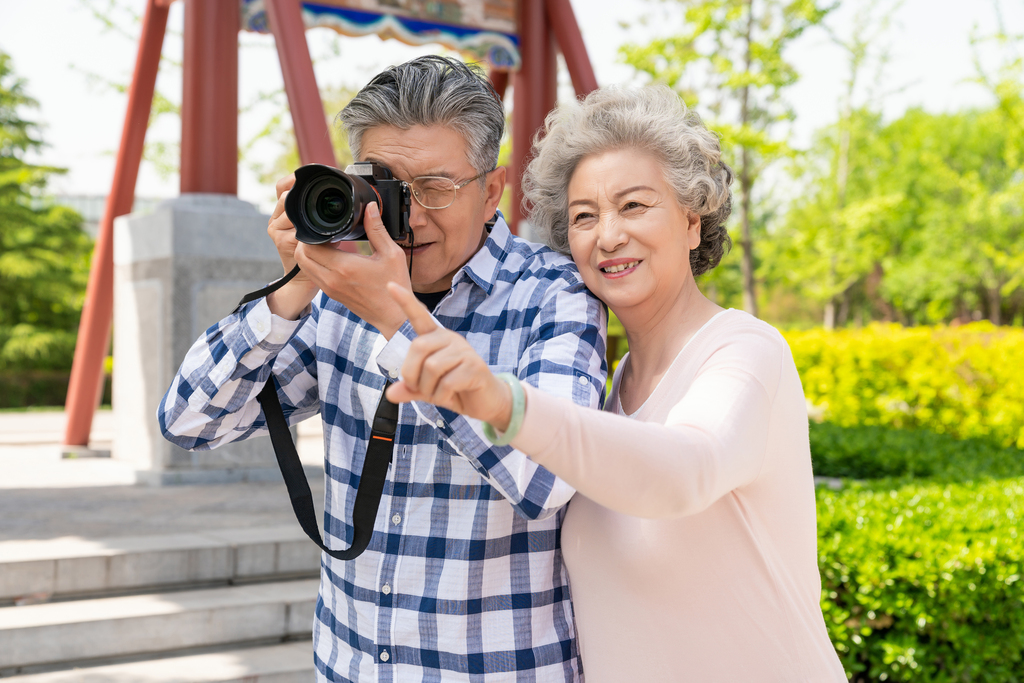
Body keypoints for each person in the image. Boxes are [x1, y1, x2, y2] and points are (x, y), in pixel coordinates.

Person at [158, 56, 607, 682]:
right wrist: (295, 286)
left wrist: (394, 322)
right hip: (348, 665)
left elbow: (548, 478)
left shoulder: (554, 293)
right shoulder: (335, 300)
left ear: (492, 190)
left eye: (437, 188)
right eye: (390, 188)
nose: (412, 214)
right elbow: (189, 423)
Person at [383, 85, 848, 681]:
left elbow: (684, 470)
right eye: (583, 217)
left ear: (690, 219)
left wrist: (505, 402)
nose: (607, 235)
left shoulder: (745, 352)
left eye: (633, 206)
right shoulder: (609, 391)